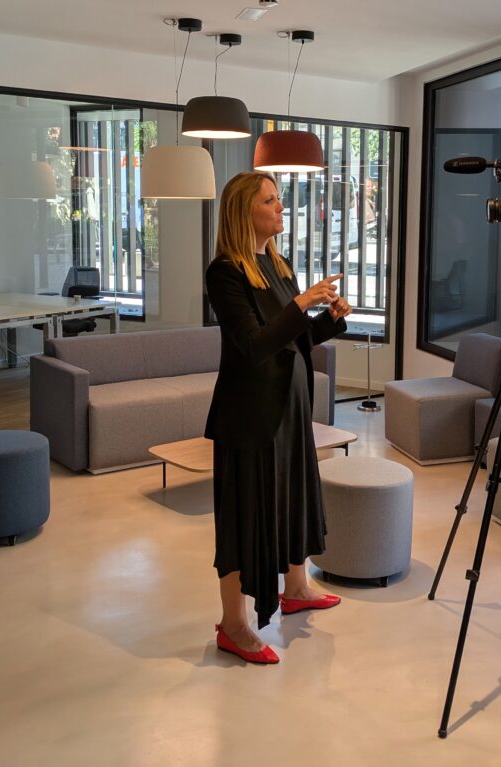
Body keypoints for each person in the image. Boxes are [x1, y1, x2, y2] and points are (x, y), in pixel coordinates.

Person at [204, 171, 353, 664]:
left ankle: (297, 588)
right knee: (244, 520)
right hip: (250, 419)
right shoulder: (225, 272)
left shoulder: (276, 264)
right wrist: (301, 303)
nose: (281, 207)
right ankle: (233, 625)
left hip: (289, 408)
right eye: (270, 200)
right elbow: (253, 345)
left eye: (278, 199)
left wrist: (328, 319)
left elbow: (294, 339)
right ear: (244, 211)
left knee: (291, 501)